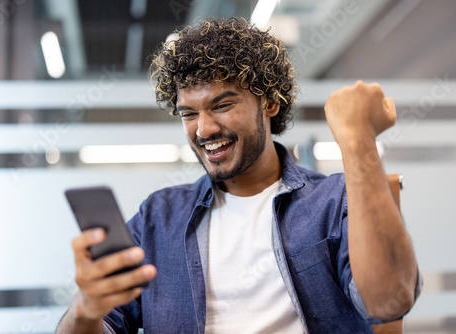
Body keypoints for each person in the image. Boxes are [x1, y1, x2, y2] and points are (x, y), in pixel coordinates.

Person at [56, 17, 422, 333]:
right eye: (188, 114)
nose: (203, 129)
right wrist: (86, 307)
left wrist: (359, 139)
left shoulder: (334, 200)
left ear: (270, 102)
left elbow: (389, 301)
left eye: (222, 105)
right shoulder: (158, 218)